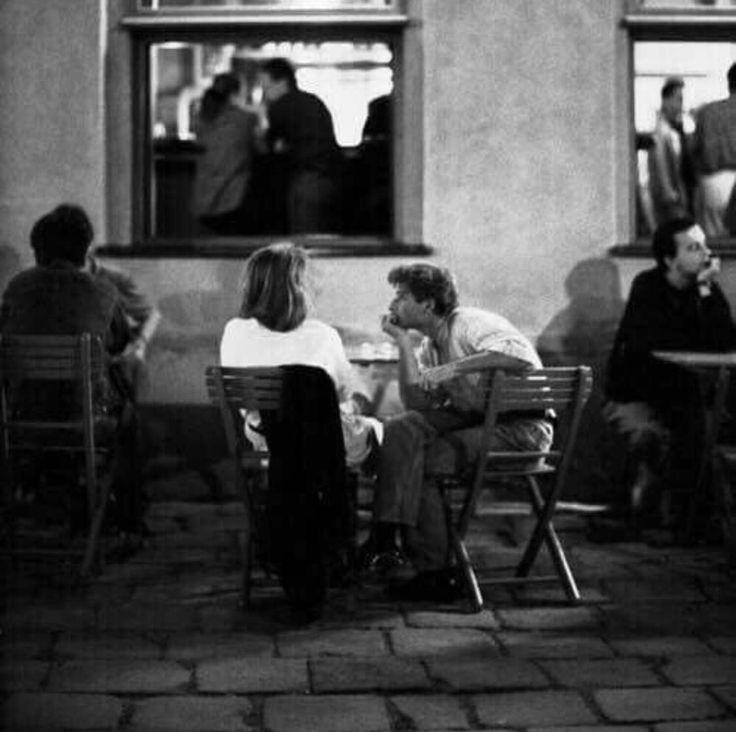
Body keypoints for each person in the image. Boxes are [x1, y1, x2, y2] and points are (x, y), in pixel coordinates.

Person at [358, 263, 554, 602]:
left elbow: (518, 356)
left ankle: (434, 572)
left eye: (401, 297)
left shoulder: (471, 323)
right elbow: (416, 403)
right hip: (480, 422)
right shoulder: (430, 345)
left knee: (425, 459)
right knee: (402, 427)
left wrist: (451, 368)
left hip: (522, 428)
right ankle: (386, 536)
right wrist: (404, 344)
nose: (392, 306)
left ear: (428, 305)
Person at [0, 204, 146, 548]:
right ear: (84, 251)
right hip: (85, 419)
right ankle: (128, 520)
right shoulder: (103, 292)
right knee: (129, 419)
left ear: (37, 251)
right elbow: (119, 343)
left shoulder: (17, 287)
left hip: (20, 419)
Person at [604, 217, 736, 541]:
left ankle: (692, 523)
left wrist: (705, 291)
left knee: (699, 426)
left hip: (684, 396)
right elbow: (654, 348)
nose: (706, 253)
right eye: (694, 247)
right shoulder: (647, 288)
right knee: (670, 431)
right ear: (669, 259)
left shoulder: (706, 289)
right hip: (638, 395)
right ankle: (679, 522)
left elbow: (725, 343)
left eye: (704, 244)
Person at [219, 242, 380, 468]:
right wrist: (357, 402)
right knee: (382, 433)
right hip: (322, 444)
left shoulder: (234, 331)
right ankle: (378, 502)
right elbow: (348, 393)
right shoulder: (323, 336)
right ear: (298, 288)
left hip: (267, 442)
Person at [259, 58, 342, 234]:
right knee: (321, 234)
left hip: (306, 180)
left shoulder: (281, 106)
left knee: (305, 236)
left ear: (282, 82)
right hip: (330, 177)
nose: (265, 94)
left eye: (266, 88)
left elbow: (269, 146)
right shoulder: (313, 101)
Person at [194, 72, 260, 235]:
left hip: (204, 197)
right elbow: (261, 148)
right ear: (236, 94)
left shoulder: (202, 118)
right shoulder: (247, 119)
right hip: (232, 197)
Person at [692, 62, 736, 237]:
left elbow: (693, 151)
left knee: (715, 243)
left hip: (712, 182)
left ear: (729, 83)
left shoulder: (707, 112)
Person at [648, 77, 694, 226]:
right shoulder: (662, 131)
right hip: (670, 202)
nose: (681, 107)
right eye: (678, 100)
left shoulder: (672, 130)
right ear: (666, 100)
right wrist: (670, 193)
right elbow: (660, 163)